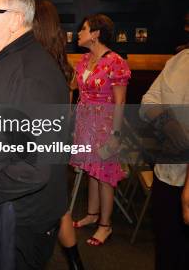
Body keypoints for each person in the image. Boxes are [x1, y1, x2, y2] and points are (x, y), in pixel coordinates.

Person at [0, 0, 69, 269]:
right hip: (16, 217)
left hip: (17, 222)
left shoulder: (26, 74)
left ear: (14, 20)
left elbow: (34, 168)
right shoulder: (17, 60)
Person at [70, 14, 131, 246]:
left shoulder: (116, 62)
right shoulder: (84, 60)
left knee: (104, 176)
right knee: (91, 171)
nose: (78, 33)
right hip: (86, 125)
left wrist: (115, 135)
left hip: (106, 127)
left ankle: (105, 225)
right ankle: (92, 214)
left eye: (83, 29)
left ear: (95, 34)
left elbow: (121, 101)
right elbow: (76, 87)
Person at [32, 0, 84, 270]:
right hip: (58, 142)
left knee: (35, 205)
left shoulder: (30, 65)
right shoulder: (63, 65)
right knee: (59, 203)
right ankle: (75, 261)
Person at [140, 49, 189, 270]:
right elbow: (149, 100)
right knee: (167, 250)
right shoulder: (179, 60)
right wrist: (169, 126)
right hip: (167, 175)